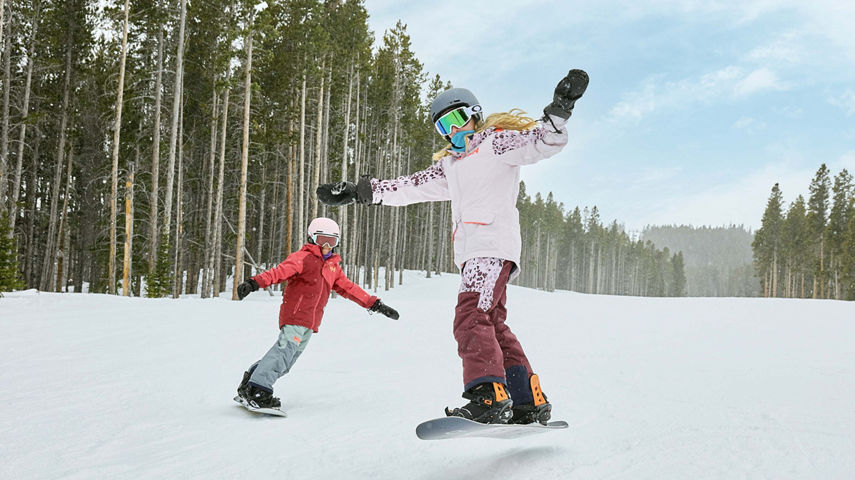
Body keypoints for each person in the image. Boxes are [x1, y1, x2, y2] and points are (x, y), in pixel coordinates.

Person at [316, 69, 588, 425]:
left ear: (474, 114)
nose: (454, 131)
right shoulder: (449, 166)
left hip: (491, 246)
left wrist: (559, 110)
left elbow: (542, 142)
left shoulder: (496, 143)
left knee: (470, 315)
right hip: (475, 253)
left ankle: (488, 395)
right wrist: (359, 192)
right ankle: (527, 399)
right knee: (491, 323)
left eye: (458, 119)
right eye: (445, 127)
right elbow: (409, 186)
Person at [234, 217, 400, 409]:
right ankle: (259, 390)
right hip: (296, 314)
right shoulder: (302, 258)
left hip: (310, 322)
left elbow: (348, 288)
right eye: (322, 240)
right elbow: (278, 272)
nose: (327, 245)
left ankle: (249, 385)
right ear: (312, 238)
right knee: (283, 353)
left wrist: (374, 304)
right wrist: (254, 283)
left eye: (332, 241)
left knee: (288, 358)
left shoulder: (333, 267)